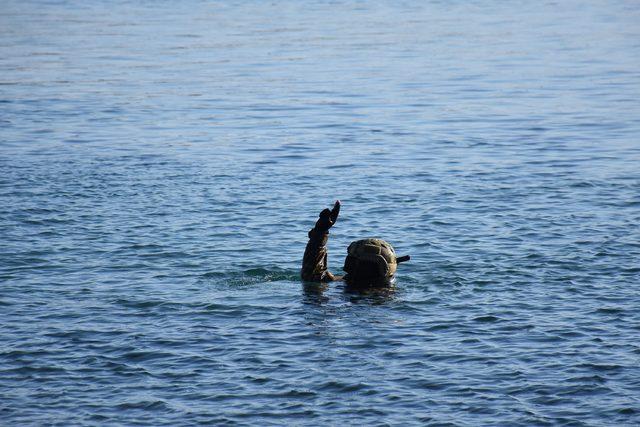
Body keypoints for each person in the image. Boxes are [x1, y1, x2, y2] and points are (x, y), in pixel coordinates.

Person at [301, 200, 410, 286]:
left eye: (356, 261)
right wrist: (320, 234)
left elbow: (313, 290)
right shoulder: (349, 282)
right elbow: (314, 276)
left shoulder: (371, 294)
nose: (350, 265)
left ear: (372, 268)